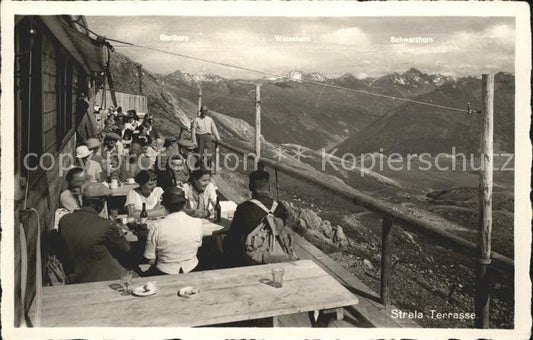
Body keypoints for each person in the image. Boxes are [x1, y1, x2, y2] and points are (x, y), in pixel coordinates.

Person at [58, 183, 132, 283]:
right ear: (101, 203)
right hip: (105, 278)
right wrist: (117, 229)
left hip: (76, 277)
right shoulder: (105, 225)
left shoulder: (64, 220)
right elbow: (126, 249)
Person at [222, 170, 288, 267]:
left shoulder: (244, 208)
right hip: (278, 254)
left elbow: (233, 236)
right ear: (269, 187)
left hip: (252, 258)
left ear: (250, 187)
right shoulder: (280, 207)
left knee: (222, 241)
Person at [144, 187, 204, 275]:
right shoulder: (197, 223)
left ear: (164, 205)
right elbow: (198, 245)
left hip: (164, 272)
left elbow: (150, 259)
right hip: (192, 269)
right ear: (185, 204)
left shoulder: (157, 227)